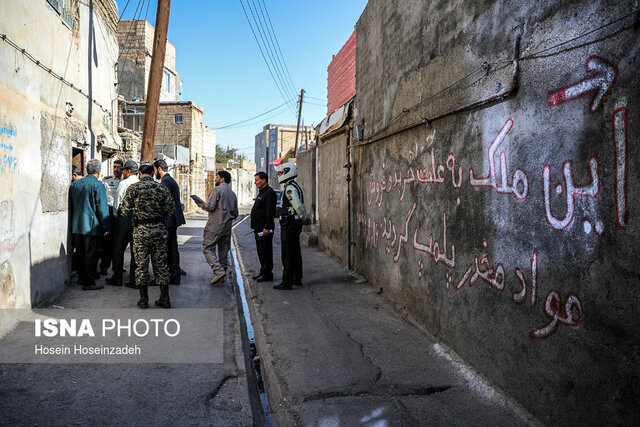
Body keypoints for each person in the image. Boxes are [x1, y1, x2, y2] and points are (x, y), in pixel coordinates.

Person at [119, 161, 175, 309]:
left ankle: (143, 300)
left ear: (139, 173)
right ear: (152, 173)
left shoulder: (133, 188)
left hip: (141, 231)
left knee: (141, 265)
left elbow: (124, 211)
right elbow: (171, 210)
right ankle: (165, 298)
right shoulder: (161, 188)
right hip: (159, 230)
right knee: (161, 265)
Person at [69, 159, 111, 290]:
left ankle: (82, 278)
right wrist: (107, 226)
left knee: (80, 253)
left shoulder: (75, 185)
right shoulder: (98, 186)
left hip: (77, 226)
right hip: (92, 227)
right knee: (91, 255)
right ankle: (89, 282)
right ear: (99, 171)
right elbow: (102, 208)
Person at [194, 170, 238, 285]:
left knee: (207, 248)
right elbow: (236, 213)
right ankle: (222, 274)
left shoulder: (217, 190)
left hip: (215, 226)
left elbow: (210, 206)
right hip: (227, 227)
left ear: (222, 179)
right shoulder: (232, 194)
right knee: (223, 252)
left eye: (217, 177)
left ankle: (218, 271)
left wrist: (200, 203)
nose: (215, 179)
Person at [106, 160, 139, 288]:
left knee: (118, 249)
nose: (122, 172)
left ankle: (118, 278)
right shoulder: (140, 183)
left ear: (128, 171)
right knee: (135, 250)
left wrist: (115, 217)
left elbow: (117, 203)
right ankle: (134, 279)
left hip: (124, 218)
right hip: (137, 219)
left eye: (124, 170)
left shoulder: (123, 183)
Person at [274, 162, 306, 290]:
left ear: (288, 172)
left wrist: (303, 217)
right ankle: (296, 278)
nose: (279, 175)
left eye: (281, 173)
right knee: (295, 252)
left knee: (287, 254)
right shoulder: (294, 186)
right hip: (293, 224)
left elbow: (298, 206)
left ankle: (287, 282)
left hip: (289, 225)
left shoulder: (289, 188)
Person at [154, 159, 186, 286]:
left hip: (169, 220)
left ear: (159, 169)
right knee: (172, 248)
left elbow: (163, 201)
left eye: (155, 170)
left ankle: (170, 275)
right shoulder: (170, 180)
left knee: (166, 249)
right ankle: (175, 274)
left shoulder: (166, 181)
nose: (154, 173)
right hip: (173, 220)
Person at [250, 171, 276, 282]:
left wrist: (267, 227)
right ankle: (263, 271)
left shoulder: (269, 193)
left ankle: (267, 274)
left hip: (264, 228)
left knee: (266, 251)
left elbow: (270, 212)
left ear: (264, 180)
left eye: (257, 180)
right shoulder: (262, 192)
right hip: (258, 227)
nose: (255, 182)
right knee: (261, 251)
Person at [99, 159, 123, 275]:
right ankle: (104, 266)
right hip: (109, 213)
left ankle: (117, 266)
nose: (116, 169)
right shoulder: (107, 181)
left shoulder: (126, 181)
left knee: (119, 242)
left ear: (123, 169)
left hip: (120, 213)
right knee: (106, 242)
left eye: (118, 167)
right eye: (114, 167)